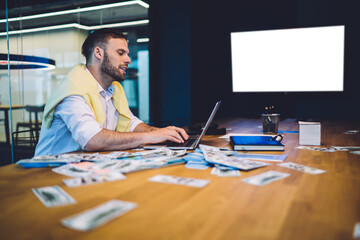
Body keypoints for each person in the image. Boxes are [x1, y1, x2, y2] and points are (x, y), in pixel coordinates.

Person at [35, 28, 188, 156]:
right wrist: (151, 136)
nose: (128, 59)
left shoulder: (113, 88)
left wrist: (163, 133)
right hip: (49, 172)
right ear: (99, 53)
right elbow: (92, 139)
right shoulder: (73, 92)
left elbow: (131, 123)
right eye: (121, 53)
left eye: (127, 54)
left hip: (87, 167)